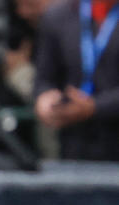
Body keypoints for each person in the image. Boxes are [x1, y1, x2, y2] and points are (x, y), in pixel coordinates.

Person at [34, 0, 119, 161]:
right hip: (74, 145)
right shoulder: (57, 16)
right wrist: (46, 99)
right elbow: (44, 79)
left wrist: (94, 107)